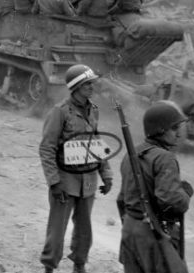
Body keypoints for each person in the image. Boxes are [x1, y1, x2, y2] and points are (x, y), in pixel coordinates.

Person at [39, 65, 113, 273]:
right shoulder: (59, 112)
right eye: (88, 84)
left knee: (84, 230)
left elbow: (96, 143)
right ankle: (49, 267)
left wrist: (106, 175)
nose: (92, 87)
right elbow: (47, 148)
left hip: (88, 181)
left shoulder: (93, 110)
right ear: (77, 87)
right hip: (65, 181)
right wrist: (54, 182)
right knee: (57, 229)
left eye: (92, 83)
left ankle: (79, 265)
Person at [116, 101, 194, 273]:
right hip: (153, 232)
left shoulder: (130, 156)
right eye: (174, 128)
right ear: (161, 130)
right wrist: (186, 194)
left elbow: (122, 199)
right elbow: (170, 201)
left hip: (130, 229)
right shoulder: (165, 158)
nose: (178, 134)